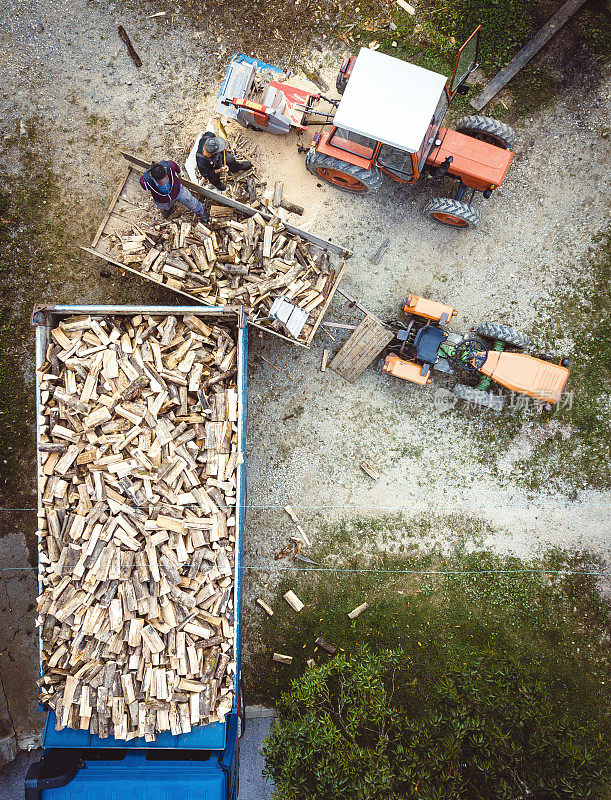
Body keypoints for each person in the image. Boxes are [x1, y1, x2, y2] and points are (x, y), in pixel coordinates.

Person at [140, 160, 208, 222]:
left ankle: (201, 211)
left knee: (189, 200)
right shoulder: (145, 182)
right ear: (153, 178)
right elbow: (146, 187)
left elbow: (176, 167)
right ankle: (167, 209)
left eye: (165, 179)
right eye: (161, 182)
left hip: (178, 190)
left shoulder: (169, 165)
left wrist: (180, 173)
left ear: (166, 173)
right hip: (162, 199)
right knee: (165, 206)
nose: (164, 182)